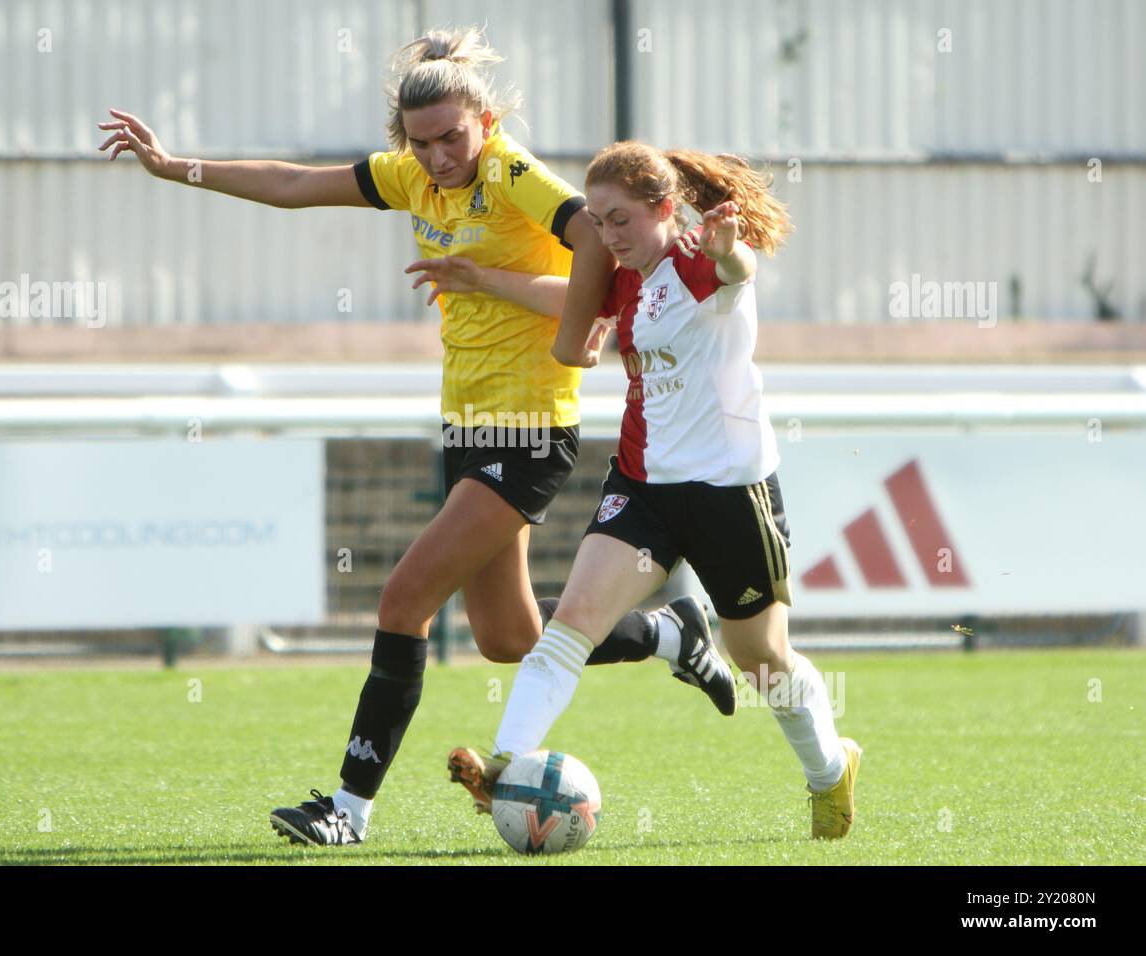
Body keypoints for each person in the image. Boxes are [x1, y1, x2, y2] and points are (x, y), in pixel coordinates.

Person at [97, 27, 736, 848]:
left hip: (531, 430)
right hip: (467, 426)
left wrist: (543, 315)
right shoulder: (410, 178)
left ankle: (347, 810)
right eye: (421, 142)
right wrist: (173, 165)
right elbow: (293, 184)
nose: (437, 158)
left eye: (452, 139)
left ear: (486, 121)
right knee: (510, 639)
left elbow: (594, 250)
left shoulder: (512, 175)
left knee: (403, 600)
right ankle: (668, 633)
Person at [448, 142, 863, 839]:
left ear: (665, 209)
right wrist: (482, 278)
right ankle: (505, 763)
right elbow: (573, 299)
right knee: (570, 624)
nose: (608, 237)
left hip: (731, 489)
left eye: (620, 221)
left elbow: (738, 268)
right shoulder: (624, 275)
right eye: (599, 223)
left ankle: (829, 772)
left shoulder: (700, 258)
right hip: (643, 486)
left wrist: (731, 248)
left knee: (759, 659)